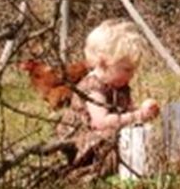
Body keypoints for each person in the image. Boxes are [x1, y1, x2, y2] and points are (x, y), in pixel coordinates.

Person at [56, 20, 163, 179]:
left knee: (139, 135)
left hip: (108, 138)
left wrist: (142, 111)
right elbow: (101, 122)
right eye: (127, 69)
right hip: (86, 145)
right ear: (104, 62)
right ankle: (94, 171)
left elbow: (124, 113)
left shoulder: (119, 86)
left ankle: (139, 167)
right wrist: (138, 115)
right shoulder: (94, 87)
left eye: (133, 70)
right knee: (115, 140)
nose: (131, 75)